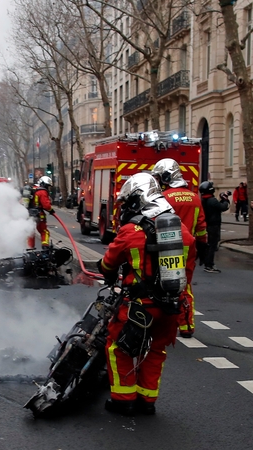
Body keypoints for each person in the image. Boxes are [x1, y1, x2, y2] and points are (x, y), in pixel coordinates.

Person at [98, 173, 196, 416]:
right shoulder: (183, 232)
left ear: (137, 199)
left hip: (139, 307)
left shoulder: (131, 231)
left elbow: (109, 263)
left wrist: (108, 272)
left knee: (118, 348)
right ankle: (147, 400)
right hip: (171, 306)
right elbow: (188, 272)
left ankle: (124, 400)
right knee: (156, 350)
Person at [151, 158, 207, 338]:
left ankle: (164, 322)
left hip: (166, 248)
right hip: (189, 248)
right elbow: (201, 227)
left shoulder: (164, 198)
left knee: (163, 284)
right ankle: (187, 326)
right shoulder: (195, 198)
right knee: (185, 286)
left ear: (166, 177)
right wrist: (203, 246)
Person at [199, 181, 230, 273]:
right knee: (212, 246)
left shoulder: (204, 200)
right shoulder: (212, 200)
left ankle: (206, 262)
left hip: (207, 224)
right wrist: (225, 199)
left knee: (208, 245)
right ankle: (209, 265)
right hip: (213, 226)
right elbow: (223, 207)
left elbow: (217, 207)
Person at [27, 176, 55, 250]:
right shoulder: (42, 191)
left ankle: (30, 248)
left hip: (29, 214)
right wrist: (51, 210)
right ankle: (45, 246)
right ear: (43, 184)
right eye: (47, 186)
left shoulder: (33, 189)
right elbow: (46, 205)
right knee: (44, 231)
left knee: (30, 232)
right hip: (39, 215)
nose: (48, 188)